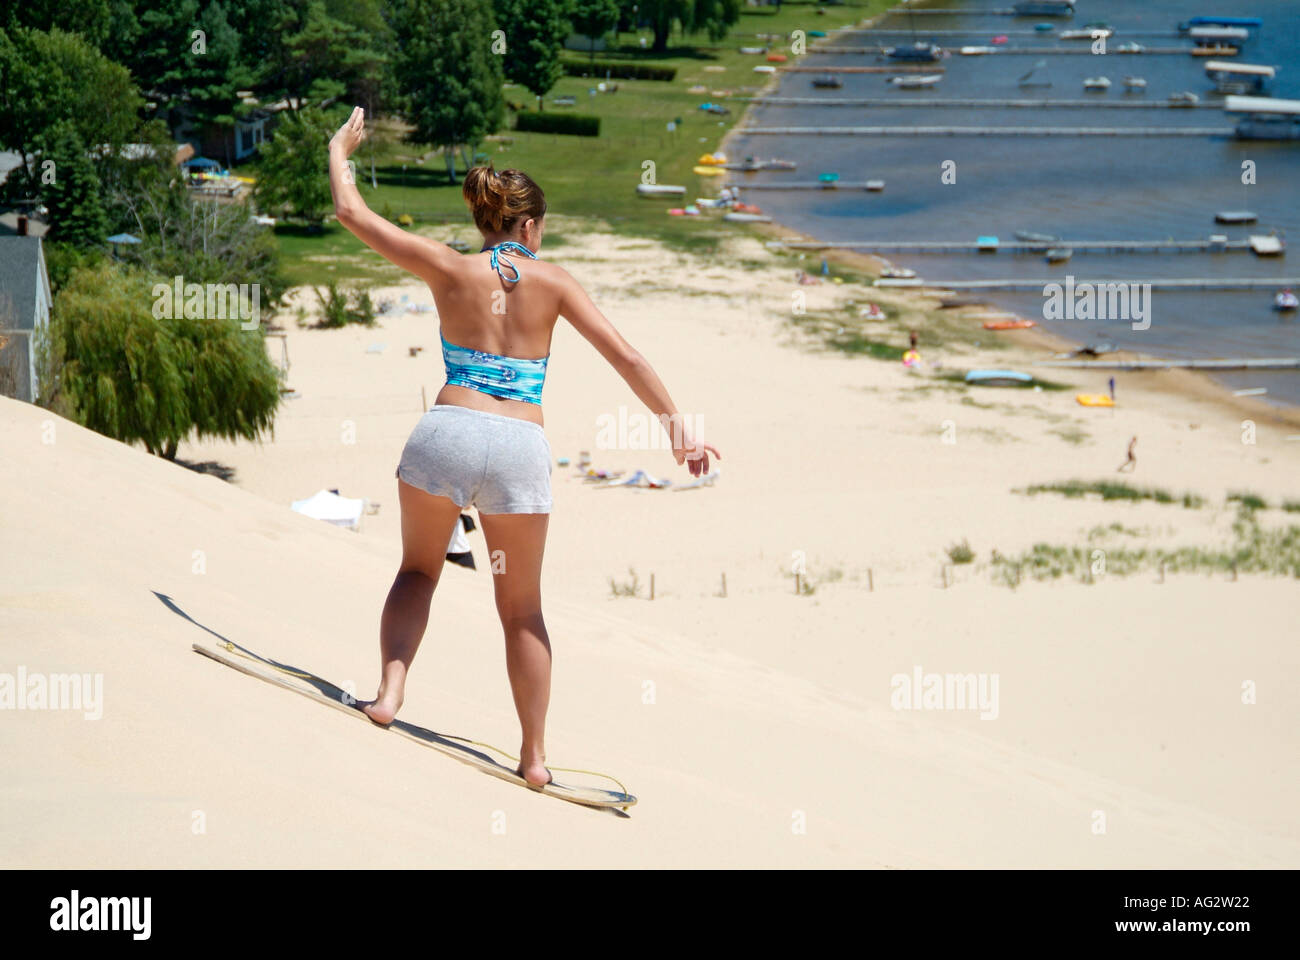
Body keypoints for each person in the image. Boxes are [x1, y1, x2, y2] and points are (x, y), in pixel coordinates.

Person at [327, 108, 719, 787]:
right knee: (522, 611)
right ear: (529, 226)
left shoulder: (447, 265)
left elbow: (352, 213)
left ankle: (389, 694)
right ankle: (533, 756)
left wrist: (341, 151)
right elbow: (626, 357)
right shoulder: (555, 282)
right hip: (516, 448)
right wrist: (678, 429)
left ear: (487, 219)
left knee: (419, 572)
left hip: (446, 435)